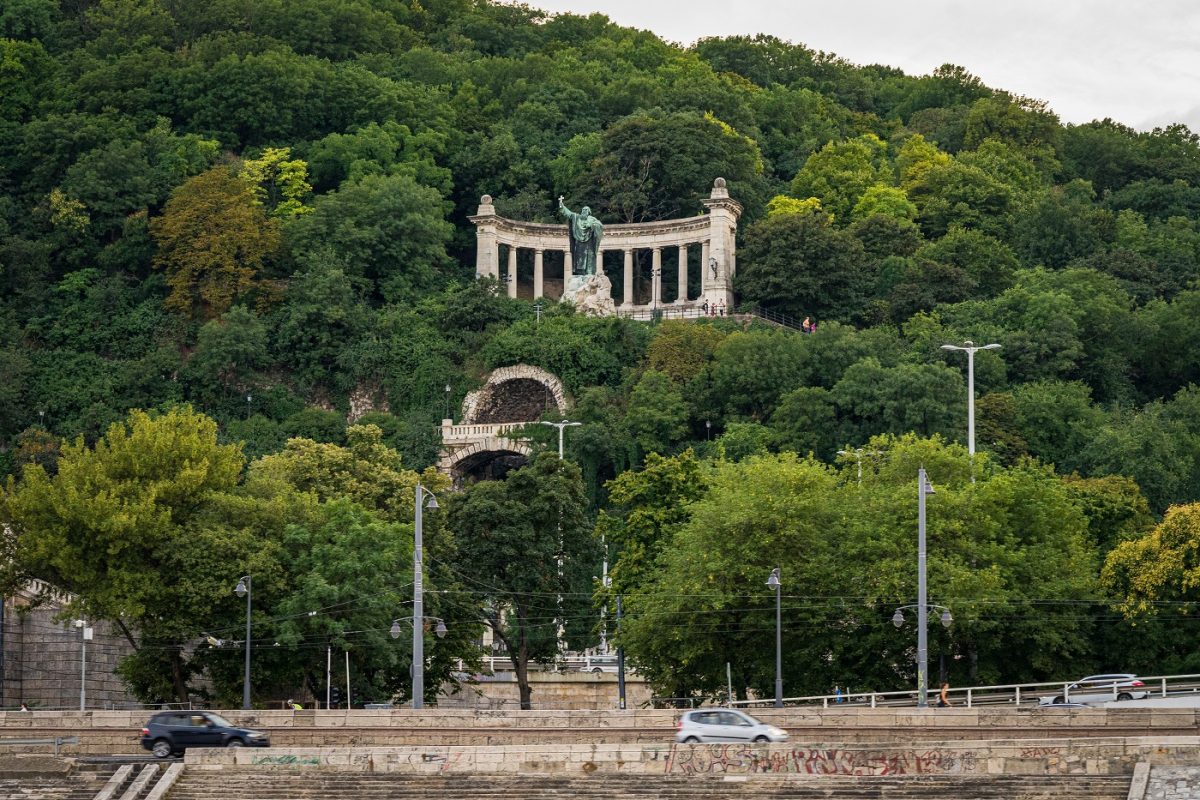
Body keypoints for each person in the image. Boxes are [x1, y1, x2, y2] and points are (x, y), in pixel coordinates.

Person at [557, 197, 603, 276]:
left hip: (589, 242)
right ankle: (581, 274)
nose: (584, 211)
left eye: (586, 210)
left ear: (589, 212)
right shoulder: (576, 217)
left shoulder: (592, 219)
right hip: (579, 242)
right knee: (579, 258)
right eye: (583, 210)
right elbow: (568, 213)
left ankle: (589, 273)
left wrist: (591, 225)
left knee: (590, 258)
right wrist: (561, 205)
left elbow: (599, 225)